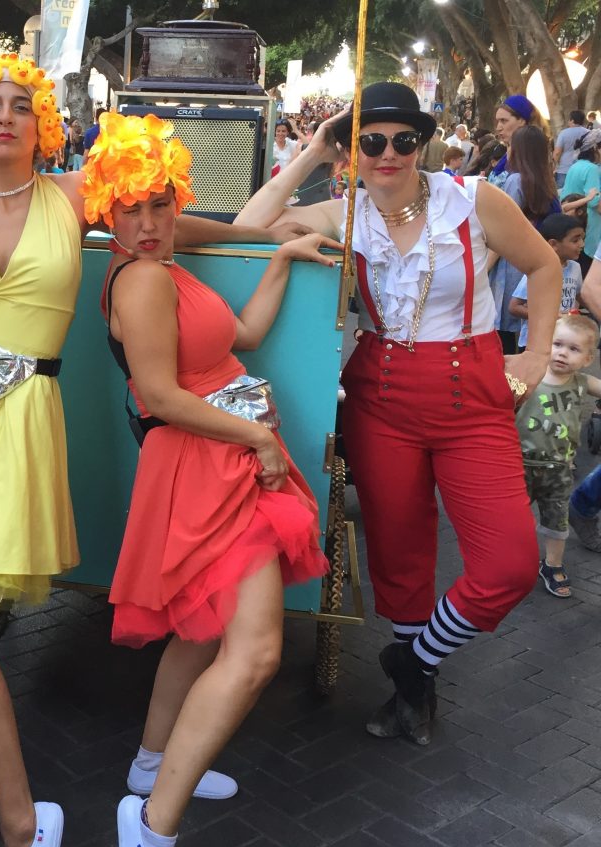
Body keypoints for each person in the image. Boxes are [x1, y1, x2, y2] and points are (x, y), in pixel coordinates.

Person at [0, 53, 308, 847]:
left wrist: (258, 236)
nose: (5, 117)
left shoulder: (74, 195)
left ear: (41, 122)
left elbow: (161, 226)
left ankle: (23, 817)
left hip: (18, 421)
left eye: (21, 105)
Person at [234, 81, 562, 746]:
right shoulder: (343, 212)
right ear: (353, 149)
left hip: (474, 397)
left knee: (509, 563)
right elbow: (247, 229)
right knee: (400, 554)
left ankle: (414, 660)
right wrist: (312, 154)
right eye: (371, 141)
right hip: (380, 398)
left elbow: (544, 264)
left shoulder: (473, 199)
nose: (388, 153)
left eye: (403, 140)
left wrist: (534, 354)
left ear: (422, 145)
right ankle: (415, 693)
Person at [82, 111, 332, 847]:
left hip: (224, 458)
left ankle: (152, 763)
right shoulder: (141, 278)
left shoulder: (164, 255)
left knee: (203, 633)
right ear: (107, 210)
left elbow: (241, 335)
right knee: (254, 654)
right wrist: (258, 438)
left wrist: (280, 255)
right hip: (206, 463)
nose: (149, 222)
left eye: (161, 203)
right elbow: (159, 394)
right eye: (131, 207)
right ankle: (151, 825)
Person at [513, 314, 601, 598]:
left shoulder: (582, 382)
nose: (563, 353)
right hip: (519, 466)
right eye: (557, 344)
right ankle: (507, 563)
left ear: (588, 359)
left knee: (557, 521)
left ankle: (552, 564)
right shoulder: (528, 379)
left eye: (574, 349)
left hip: (560, 469)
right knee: (512, 520)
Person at [491, 125, 561, 353]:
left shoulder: (515, 181)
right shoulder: (547, 182)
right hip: (537, 259)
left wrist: (483, 266)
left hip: (512, 262)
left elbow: (503, 228)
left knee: (505, 334)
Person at [509, 214, 584, 350]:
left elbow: (578, 295)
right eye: (575, 240)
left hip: (562, 340)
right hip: (535, 343)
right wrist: (552, 317)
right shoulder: (539, 270)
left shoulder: (575, 268)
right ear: (553, 244)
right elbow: (514, 307)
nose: (582, 245)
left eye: (582, 239)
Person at [560, 129, 601, 259]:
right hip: (589, 226)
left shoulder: (575, 165)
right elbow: (595, 202)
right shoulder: (592, 169)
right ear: (595, 149)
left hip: (572, 225)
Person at [491, 94, 545, 186]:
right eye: (498, 121)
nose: (498, 128)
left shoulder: (530, 156)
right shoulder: (508, 154)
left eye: (504, 121)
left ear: (522, 120)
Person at [555, 110, 588, 189]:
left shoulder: (563, 133)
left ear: (572, 120)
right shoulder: (588, 133)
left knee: (562, 192)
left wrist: (556, 163)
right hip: (583, 169)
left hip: (565, 169)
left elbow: (557, 152)